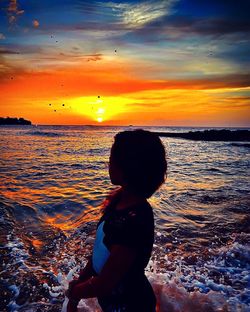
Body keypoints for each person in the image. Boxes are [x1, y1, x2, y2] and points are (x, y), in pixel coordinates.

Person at [66, 129, 167, 312]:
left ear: (129, 167)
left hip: (133, 306)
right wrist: (82, 279)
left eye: (112, 158)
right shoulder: (117, 202)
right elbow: (101, 250)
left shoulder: (136, 219)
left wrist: (75, 293)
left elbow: (105, 284)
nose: (108, 163)